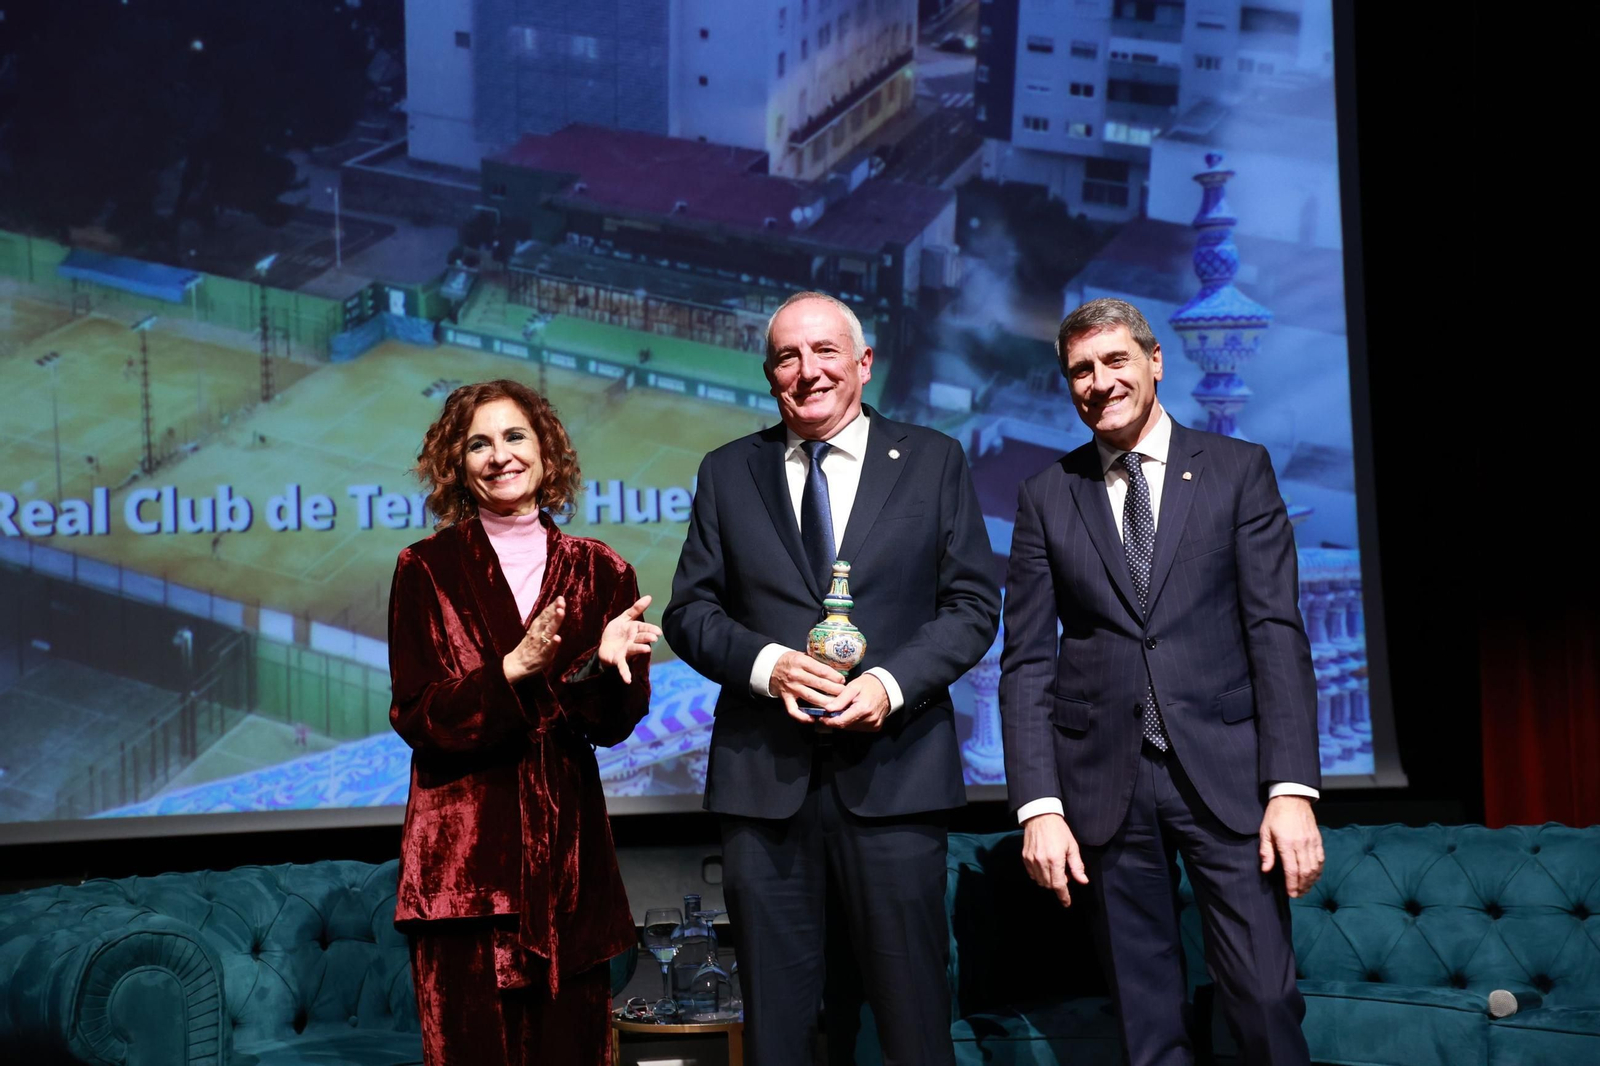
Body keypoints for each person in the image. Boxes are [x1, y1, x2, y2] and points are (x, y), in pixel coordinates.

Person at [664, 291, 1001, 1065]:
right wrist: (766, 664)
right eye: (787, 357)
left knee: (912, 1024)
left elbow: (974, 607)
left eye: (824, 352)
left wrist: (887, 685)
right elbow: (691, 613)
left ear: (863, 363)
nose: (807, 371)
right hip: (765, 790)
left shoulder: (932, 460)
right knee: (779, 1034)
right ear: (769, 373)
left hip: (897, 780)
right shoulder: (728, 472)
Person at [999, 298, 1325, 1066]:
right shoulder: (1046, 495)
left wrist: (1292, 789)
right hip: (1104, 785)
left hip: (1229, 776)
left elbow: (1276, 634)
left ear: (1155, 362)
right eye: (1081, 369)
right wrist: (1039, 807)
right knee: (1147, 1022)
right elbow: (1027, 663)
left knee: (1266, 999)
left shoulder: (1238, 472)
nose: (1100, 382)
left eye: (1115, 361)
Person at [388, 379, 660, 1065]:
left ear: (546, 452)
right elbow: (417, 714)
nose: (499, 455)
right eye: (478, 443)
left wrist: (601, 670)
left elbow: (615, 724)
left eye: (514, 437)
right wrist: (510, 671)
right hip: (465, 877)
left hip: (569, 874)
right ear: (457, 463)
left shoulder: (602, 570)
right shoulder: (425, 568)